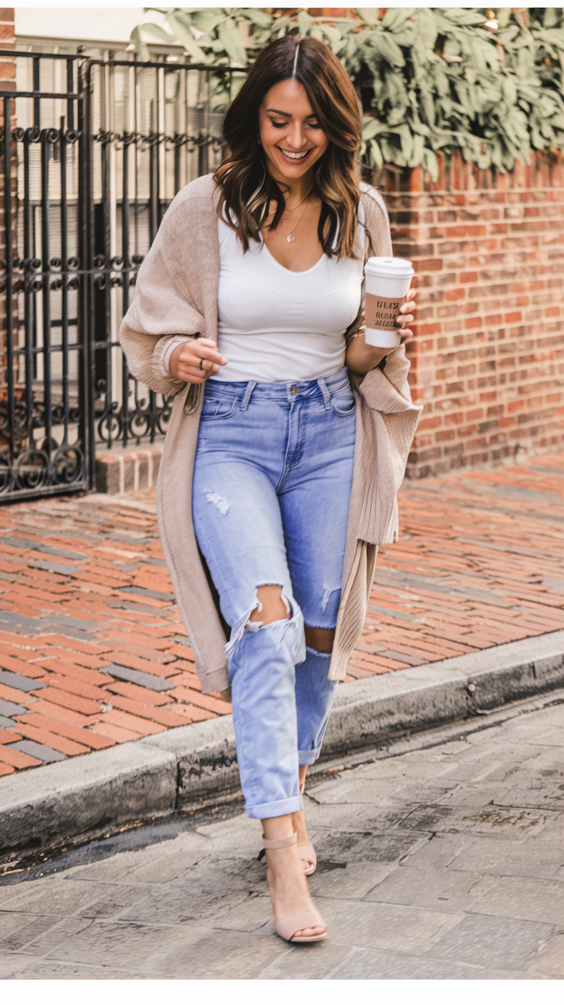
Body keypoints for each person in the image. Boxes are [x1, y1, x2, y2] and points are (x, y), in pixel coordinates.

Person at [120, 34, 420, 944]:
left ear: (337, 126)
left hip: (330, 430)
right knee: (265, 619)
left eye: (313, 124)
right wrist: (180, 352)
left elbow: (364, 350)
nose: (295, 140)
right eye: (279, 120)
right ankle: (284, 844)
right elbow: (145, 331)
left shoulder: (361, 212)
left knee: (321, 629)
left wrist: (381, 334)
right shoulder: (204, 208)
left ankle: (283, 780)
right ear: (256, 117)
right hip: (235, 434)